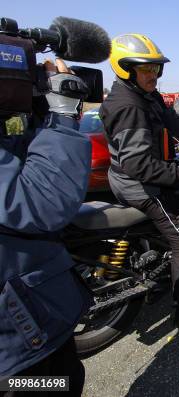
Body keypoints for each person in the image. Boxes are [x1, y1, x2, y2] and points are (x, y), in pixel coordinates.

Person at [100, 34, 179, 327]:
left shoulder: (143, 94)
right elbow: (139, 164)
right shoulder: (130, 107)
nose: (153, 74)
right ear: (126, 68)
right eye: (146, 69)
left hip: (132, 175)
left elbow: (174, 122)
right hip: (139, 184)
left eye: (156, 68)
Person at [0, 58, 92, 395]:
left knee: (66, 380)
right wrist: (63, 110)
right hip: (17, 352)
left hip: (32, 324)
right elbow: (41, 202)